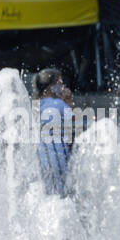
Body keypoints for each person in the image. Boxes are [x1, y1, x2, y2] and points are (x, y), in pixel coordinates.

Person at [33, 68, 75, 196]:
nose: (63, 86)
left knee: (48, 195)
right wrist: (68, 99)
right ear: (52, 86)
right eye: (60, 83)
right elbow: (75, 121)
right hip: (57, 156)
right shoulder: (58, 104)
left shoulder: (36, 104)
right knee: (60, 196)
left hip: (41, 156)